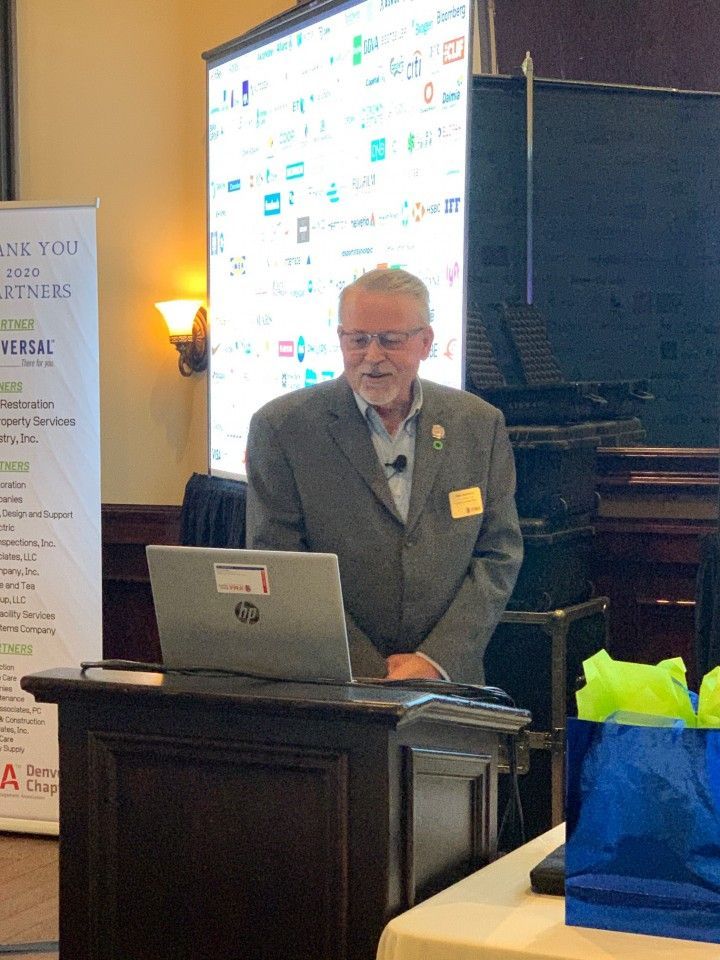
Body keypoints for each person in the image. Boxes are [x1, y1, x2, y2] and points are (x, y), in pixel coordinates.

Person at [245, 268, 523, 682]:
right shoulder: (283, 428)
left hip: (448, 684)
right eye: (358, 340)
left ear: (426, 342)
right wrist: (370, 671)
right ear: (341, 339)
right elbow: (280, 564)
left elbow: (499, 553)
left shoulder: (478, 424)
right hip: (334, 686)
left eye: (390, 341)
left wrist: (434, 660)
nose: (372, 357)